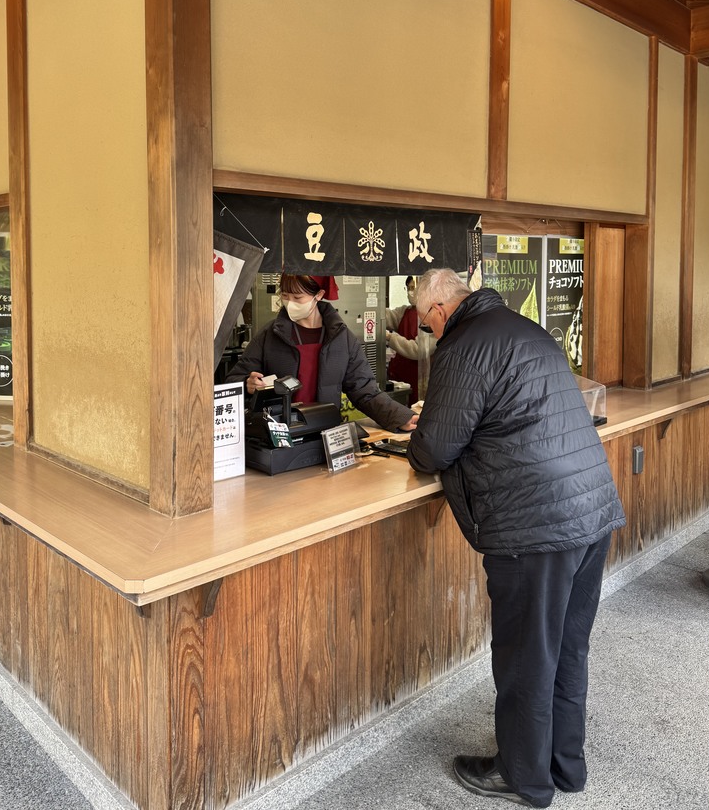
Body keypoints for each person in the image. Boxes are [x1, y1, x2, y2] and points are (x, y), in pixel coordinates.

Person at [406, 269, 625, 809]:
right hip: (589, 511)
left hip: (535, 524)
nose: (430, 332)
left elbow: (434, 449)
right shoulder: (524, 328)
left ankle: (523, 777)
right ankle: (564, 765)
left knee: (527, 654)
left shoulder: (464, 345)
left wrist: (418, 435)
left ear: (439, 310)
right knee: (566, 647)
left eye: (427, 323)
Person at [227, 273, 418, 433]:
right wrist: (247, 384)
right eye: (285, 296)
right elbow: (232, 381)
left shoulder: (341, 338)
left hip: (326, 433)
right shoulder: (270, 334)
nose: (290, 303)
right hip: (279, 433)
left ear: (318, 295)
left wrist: (400, 417)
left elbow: (365, 390)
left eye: (297, 298)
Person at [385, 275, 435, 405]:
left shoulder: (433, 315)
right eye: (409, 288)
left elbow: (419, 350)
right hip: (400, 377)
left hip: (421, 379)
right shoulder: (405, 311)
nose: (411, 292)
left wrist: (390, 337)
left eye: (414, 288)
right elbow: (386, 316)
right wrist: (372, 304)